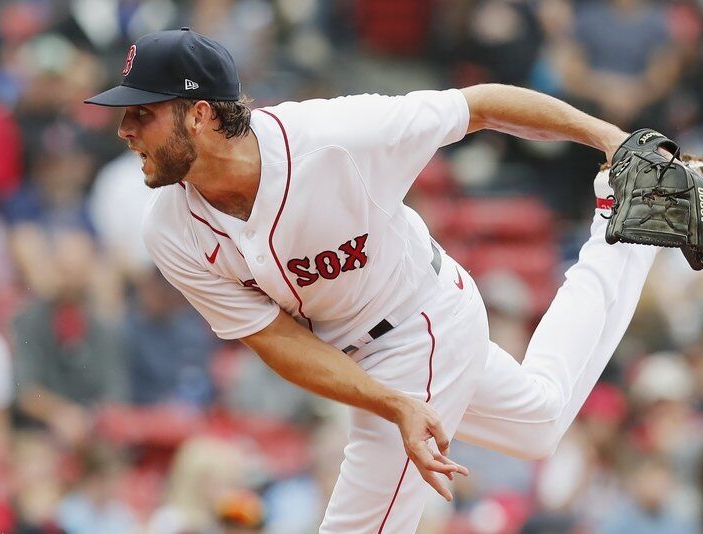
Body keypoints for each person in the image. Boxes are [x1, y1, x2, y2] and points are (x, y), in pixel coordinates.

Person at [85, 28, 669, 533]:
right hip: (363, 357)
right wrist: (391, 403)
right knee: (539, 423)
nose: (125, 130)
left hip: (422, 322)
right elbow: (276, 339)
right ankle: (629, 229)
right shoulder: (168, 228)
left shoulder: (334, 136)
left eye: (144, 112)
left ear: (202, 113)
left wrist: (616, 142)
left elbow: (480, 105)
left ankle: (631, 190)